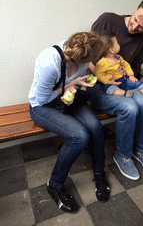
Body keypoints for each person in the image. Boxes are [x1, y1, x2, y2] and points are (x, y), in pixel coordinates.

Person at [28, 32, 110, 214]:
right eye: (95, 58)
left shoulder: (80, 58)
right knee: (80, 136)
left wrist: (73, 88)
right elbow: (41, 99)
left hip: (65, 99)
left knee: (95, 127)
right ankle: (54, 185)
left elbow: (71, 83)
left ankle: (99, 173)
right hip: (41, 107)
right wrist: (68, 86)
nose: (96, 61)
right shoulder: (50, 62)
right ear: (84, 58)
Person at [88, 0, 143, 180]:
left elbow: (136, 67)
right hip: (99, 85)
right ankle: (122, 155)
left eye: (141, 27)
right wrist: (104, 77)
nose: (134, 28)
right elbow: (87, 55)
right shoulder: (108, 20)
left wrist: (130, 78)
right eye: (136, 20)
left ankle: (141, 151)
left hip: (123, 82)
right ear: (137, 7)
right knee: (129, 108)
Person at [95, 31, 143, 100]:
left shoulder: (119, 58)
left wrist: (131, 75)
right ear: (111, 50)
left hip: (124, 80)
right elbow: (98, 74)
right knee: (110, 89)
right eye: (117, 43)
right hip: (112, 83)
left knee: (140, 84)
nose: (119, 44)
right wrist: (107, 81)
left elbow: (126, 66)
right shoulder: (101, 63)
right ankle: (125, 93)